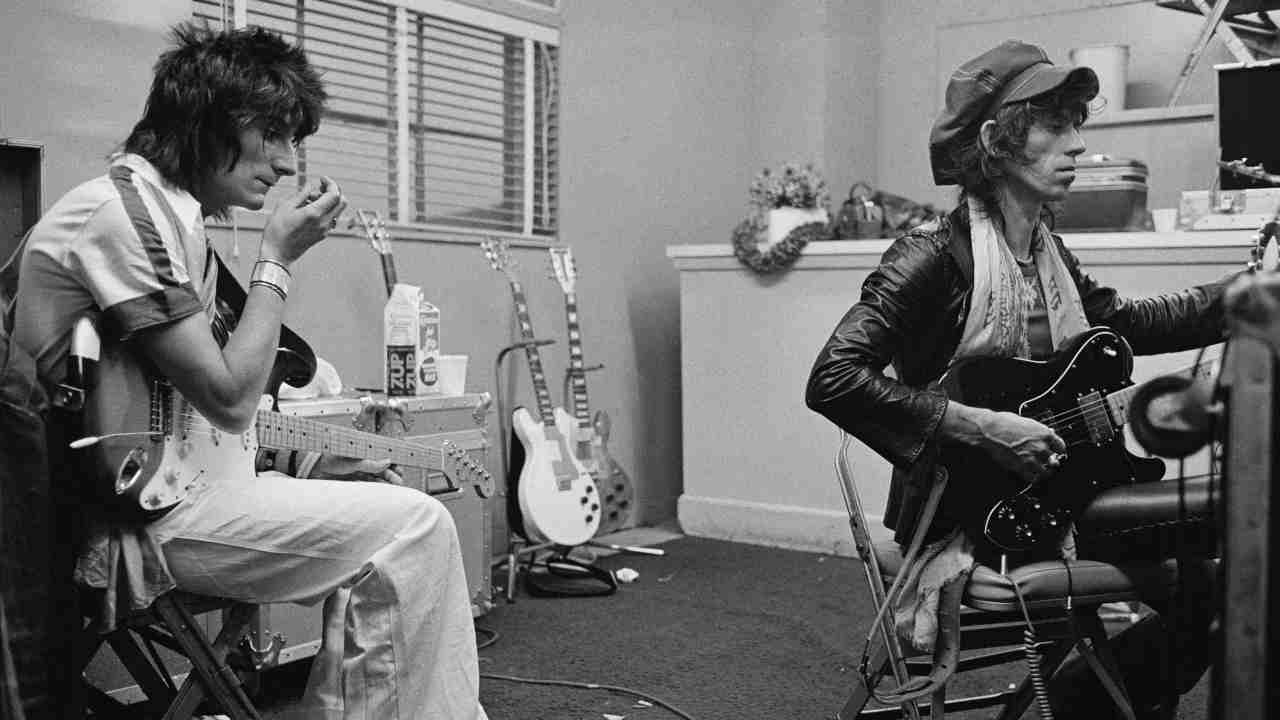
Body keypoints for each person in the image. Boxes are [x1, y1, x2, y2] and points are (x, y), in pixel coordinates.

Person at [6, 24, 487, 720]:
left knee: (404, 527)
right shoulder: (122, 214)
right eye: (277, 136)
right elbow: (230, 398)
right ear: (211, 125)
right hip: (128, 524)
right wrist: (278, 260)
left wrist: (305, 471)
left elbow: (189, 405)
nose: (289, 164)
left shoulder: (174, 218)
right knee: (413, 527)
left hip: (179, 492)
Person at [806, 40, 1229, 719]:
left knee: (1217, 575)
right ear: (995, 142)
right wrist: (984, 425)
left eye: (1076, 124)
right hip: (973, 512)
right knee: (1229, 517)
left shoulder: (1046, 250)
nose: (1077, 145)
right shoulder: (930, 257)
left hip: (1065, 487)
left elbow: (1130, 325)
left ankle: (1083, 703)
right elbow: (833, 378)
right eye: (1053, 125)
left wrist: (1244, 297)